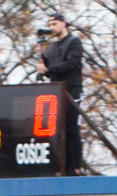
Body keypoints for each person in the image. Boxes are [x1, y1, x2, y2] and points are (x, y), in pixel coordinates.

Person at [36, 13, 84, 174]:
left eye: (54, 23)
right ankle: (62, 165)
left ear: (63, 24)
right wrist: (43, 58)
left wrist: (48, 69)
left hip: (71, 90)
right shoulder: (52, 47)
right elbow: (50, 71)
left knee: (72, 129)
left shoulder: (74, 41)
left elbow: (71, 64)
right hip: (55, 93)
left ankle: (75, 167)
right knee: (57, 131)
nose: (51, 27)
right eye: (50, 24)